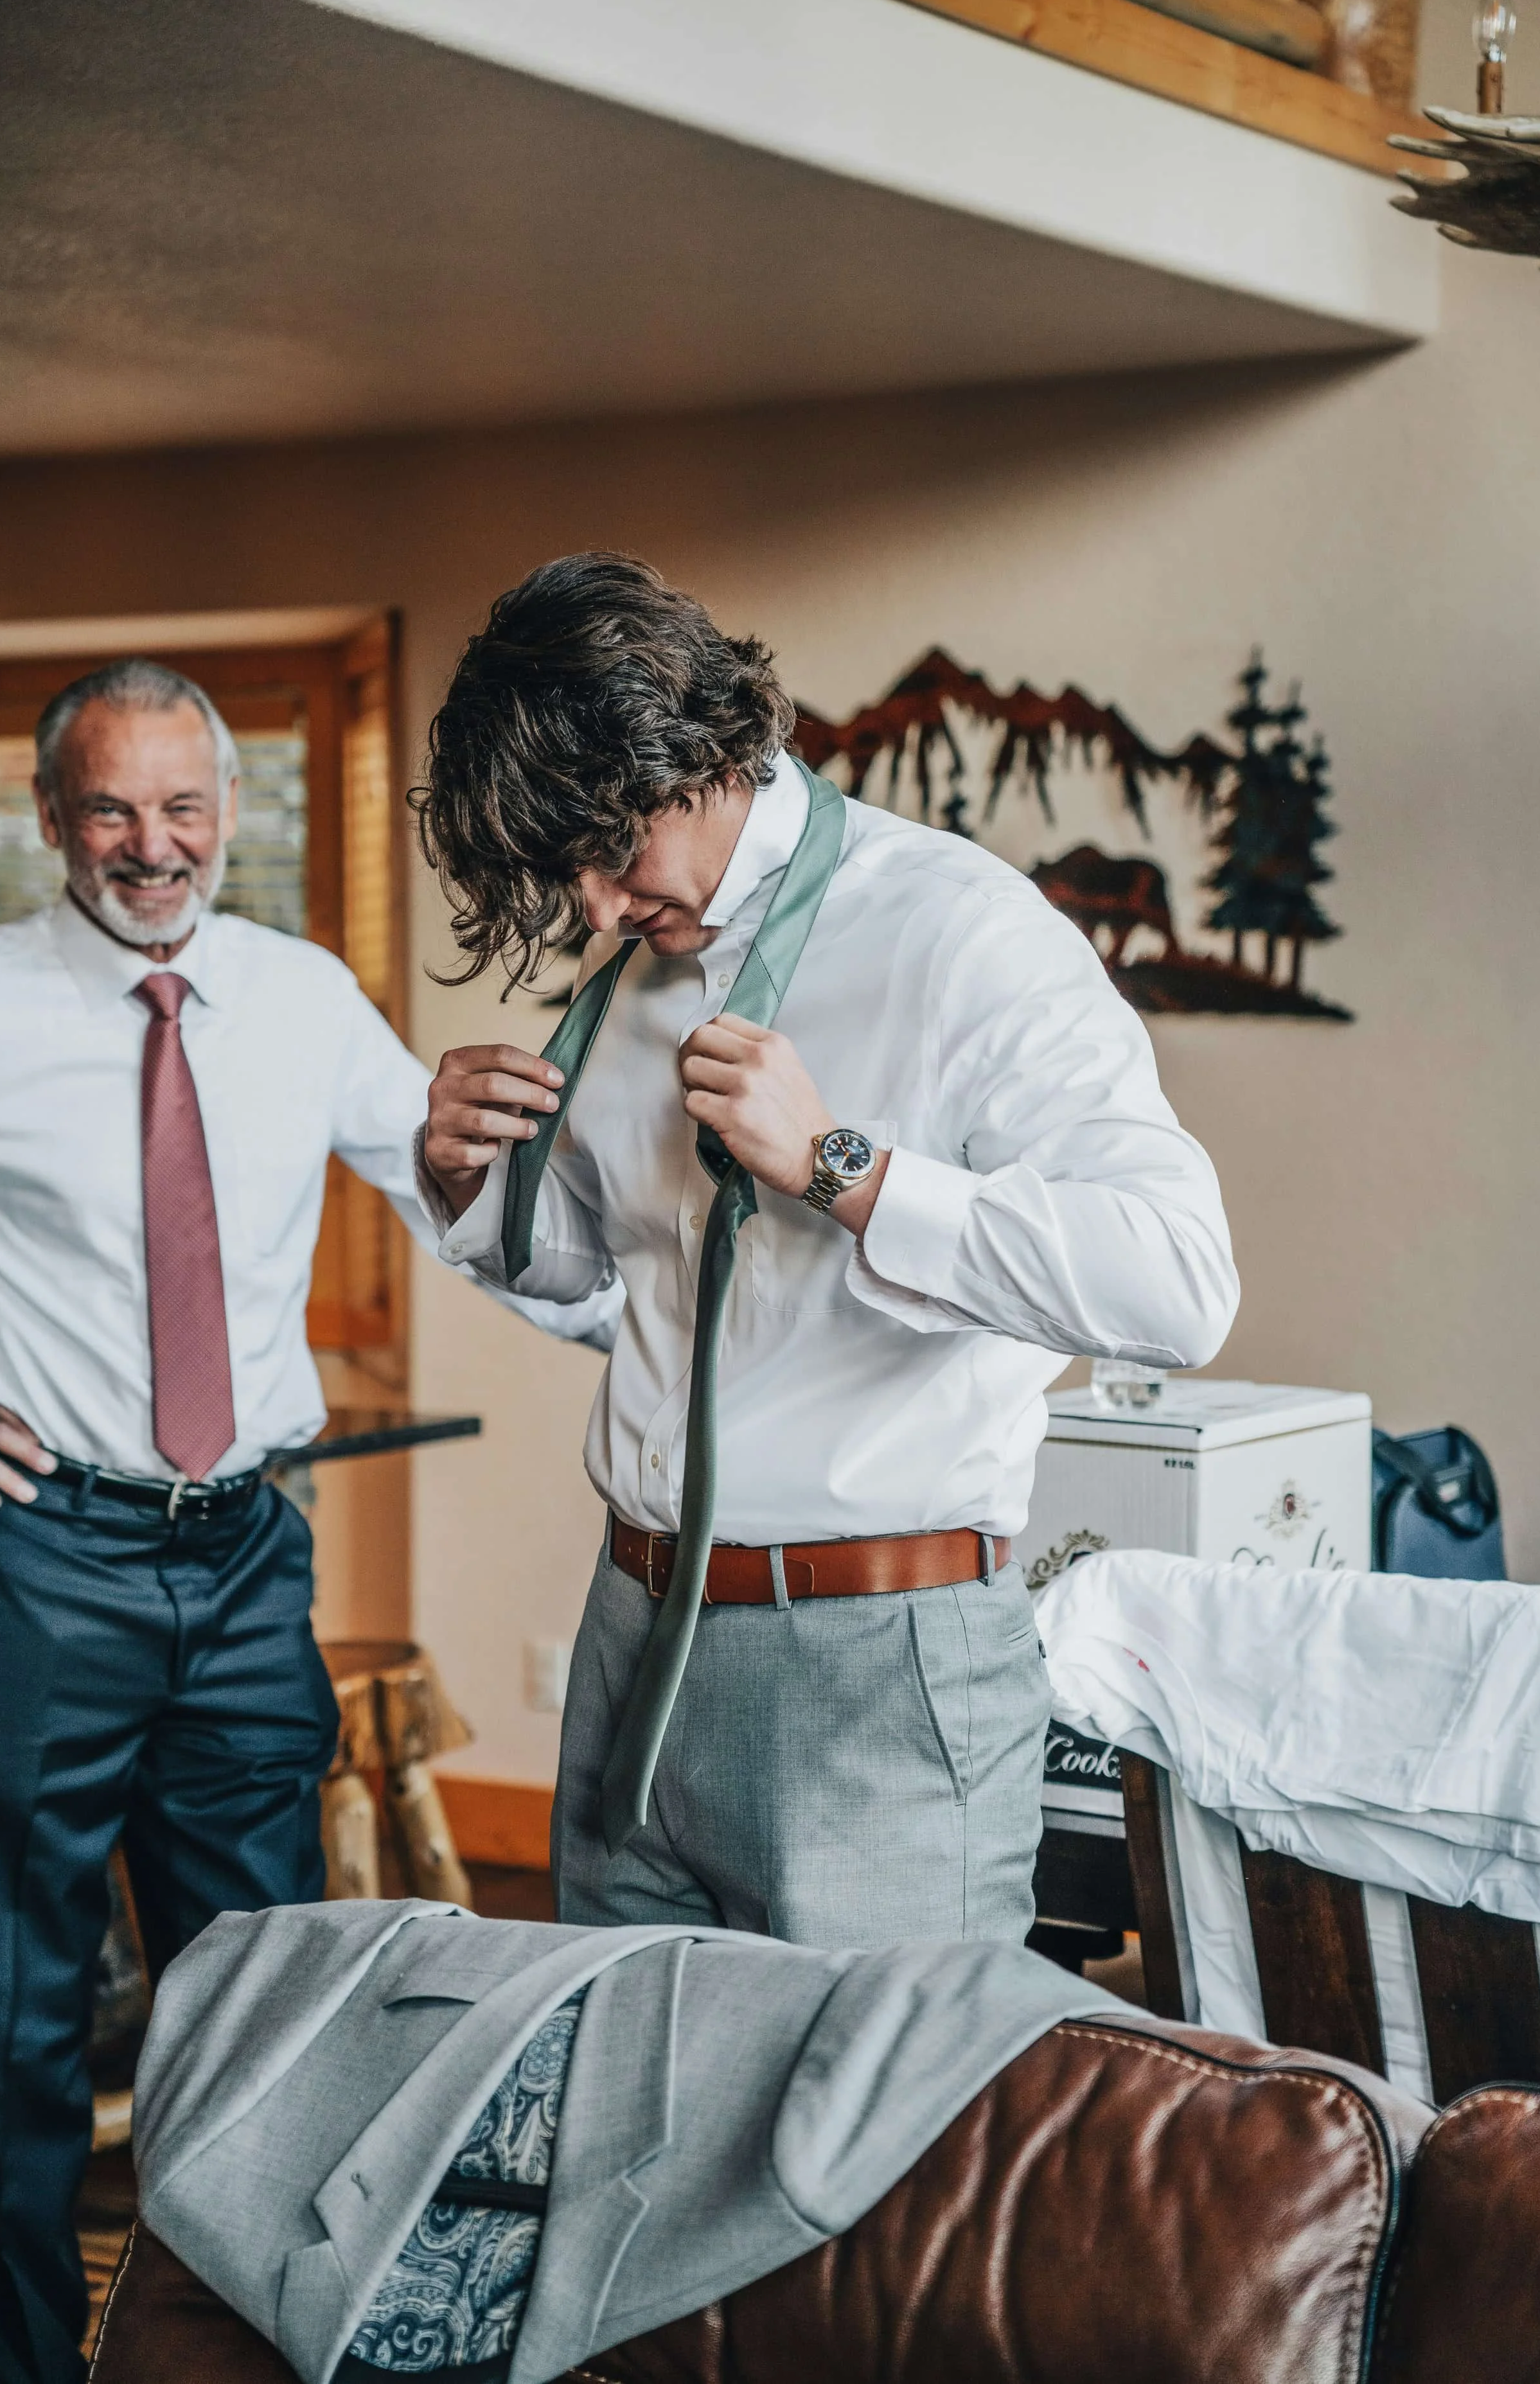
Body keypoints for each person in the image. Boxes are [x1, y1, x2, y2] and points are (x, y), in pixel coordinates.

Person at [418, 554, 1239, 1955]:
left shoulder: (963, 933)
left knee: (881, 2145)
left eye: (613, 854)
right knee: (629, 2122)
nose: (600, 910)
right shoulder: (626, 966)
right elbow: (623, 1282)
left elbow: (1175, 1280)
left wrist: (844, 1170)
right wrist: (465, 1179)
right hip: (632, 1631)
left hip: (877, 1656)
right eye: (569, 877)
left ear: (701, 756)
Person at [0, 659, 614, 2384]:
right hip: (45, 1559)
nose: (153, 844)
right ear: (51, 819)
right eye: (112, 809)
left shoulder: (300, 995)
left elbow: (443, 1185)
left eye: (185, 807)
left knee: (267, 1994)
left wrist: (670, 1322)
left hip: (245, 1558)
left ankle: (228, 2348)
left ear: (231, 814)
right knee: (15, 2008)